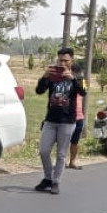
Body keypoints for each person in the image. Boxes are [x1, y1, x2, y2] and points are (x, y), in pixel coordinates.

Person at [34, 47, 87, 194]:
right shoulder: (53, 76)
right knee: (44, 151)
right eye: (60, 60)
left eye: (66, 60)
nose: (63, 63)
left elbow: (84, 91)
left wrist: (73, 78)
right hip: (50, 120)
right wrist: (44, 77)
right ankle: (48, 178)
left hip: (68, 121)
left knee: (61, 154)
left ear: (72, 61)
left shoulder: (79, 77)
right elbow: (38, 91)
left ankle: (55, 182)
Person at [67, 63, 86, 170]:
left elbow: (84, 94)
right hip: (69, 115)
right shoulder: (67, 81)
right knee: (64, 140)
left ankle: (72, 162)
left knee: (75, 141)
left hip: (79, 116)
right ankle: (62, 161)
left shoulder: (83, 81)